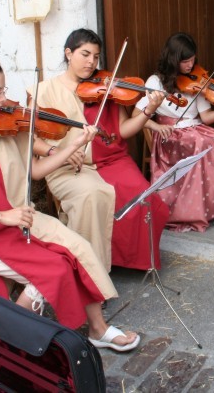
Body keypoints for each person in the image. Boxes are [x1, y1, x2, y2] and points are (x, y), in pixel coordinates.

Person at [0, 53, 139, 351]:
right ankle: (13, 339)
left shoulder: (2, 127)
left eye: (4, 90)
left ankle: (96, 329)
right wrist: (1, 217)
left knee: (80, 248)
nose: (4, 98)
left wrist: (73, 145)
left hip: (18, 220)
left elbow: (34, 172)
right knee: (55, 269)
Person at [33, 29, 169, 270]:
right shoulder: (44, 91)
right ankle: (93, 267)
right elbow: (32, 139)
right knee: (93, 197)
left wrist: (149, 109)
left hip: (112, 159)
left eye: (96, 57)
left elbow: (124, 129)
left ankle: (129, 260)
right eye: (85, 54)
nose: (91, 62)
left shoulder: (107, 87)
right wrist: (55, 152)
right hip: (69, 167)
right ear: (68, 53)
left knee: (145, 196)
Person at [134, 32, 214, 232]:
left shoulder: (196, 80)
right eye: (185, 61)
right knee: (201, 144)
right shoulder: (155, 82)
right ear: (173, 59)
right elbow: (136, 115)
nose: (190, 66)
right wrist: (156, 126)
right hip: (170, 132)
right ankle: (186, 212)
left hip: (195, 129)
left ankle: (207, 207)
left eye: (192, 60)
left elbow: (207, 118)